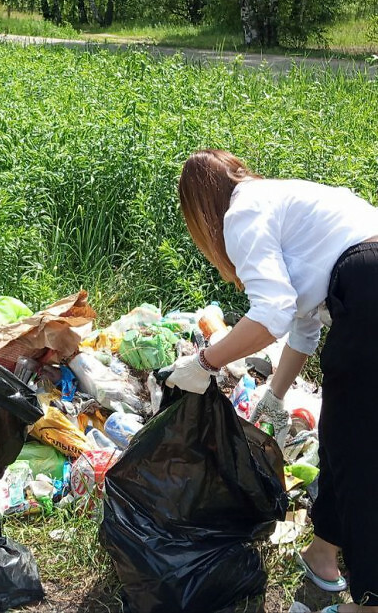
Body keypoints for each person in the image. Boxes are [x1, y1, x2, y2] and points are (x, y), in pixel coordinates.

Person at [167, 149, 378, 612]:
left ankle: (367, 602)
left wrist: (205, 362)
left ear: (203, 208)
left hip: (369, 283)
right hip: (364, 282)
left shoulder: (243, 211)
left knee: (362, 454)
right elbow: (303, 322)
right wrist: (275, 393)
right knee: (344, 438)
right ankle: (324, 554)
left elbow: (271, 315)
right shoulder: (283, 200)